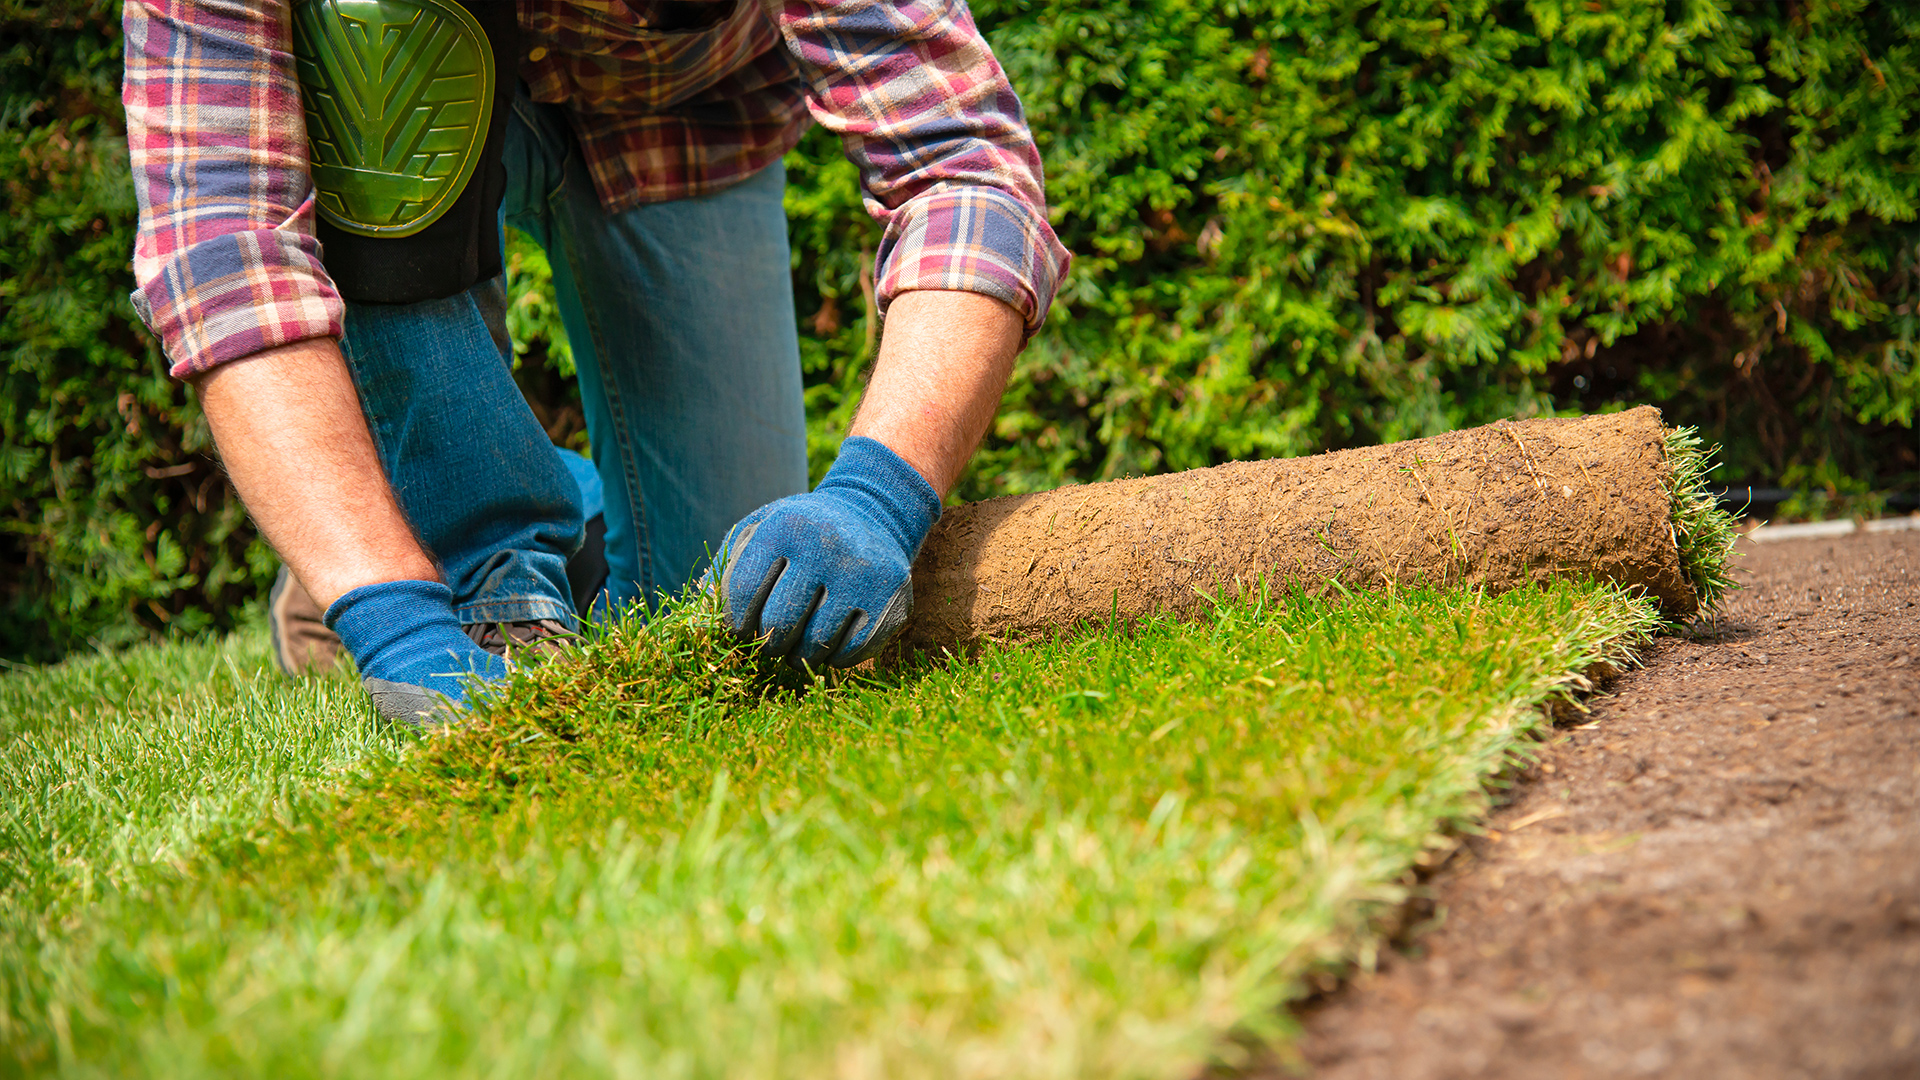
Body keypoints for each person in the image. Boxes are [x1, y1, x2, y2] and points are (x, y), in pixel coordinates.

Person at [123, 0, 1069, 722]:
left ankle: (481, 496)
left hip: (678, 114)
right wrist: (389, 614)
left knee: (718, 605)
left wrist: (876, 499)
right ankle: (471, 548)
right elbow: (224, 252)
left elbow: (964, 166)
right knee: (361, 39)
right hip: (386, 94)